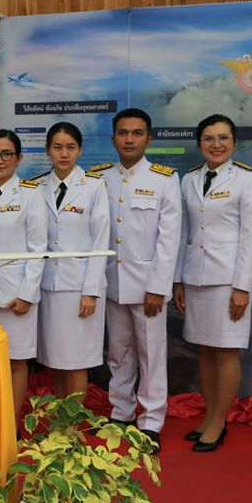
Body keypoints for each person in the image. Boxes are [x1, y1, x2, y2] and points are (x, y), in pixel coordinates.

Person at [172, 115, 252, 452]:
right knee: (205, 350)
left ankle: (219, 422)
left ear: (234, 142)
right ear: (200, 143)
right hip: (196, 277)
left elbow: (251, 237)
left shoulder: (246, 180)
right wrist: (178, 279)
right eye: (209, 138)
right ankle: (210, 415)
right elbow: (184, 232)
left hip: (228, 281)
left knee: (225, 351)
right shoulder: (190, 179)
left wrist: (243, 286)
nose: (216, 144)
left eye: (223, 137)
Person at [97, 107, 181, 454]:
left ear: (149, 138)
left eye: (137, 133)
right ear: (113, 137)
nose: (129, 139)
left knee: (151, 354)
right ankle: (121, 412)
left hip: (148, 286)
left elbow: (169, 238)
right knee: (118, 353)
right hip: (112, 283)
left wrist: (158, 287)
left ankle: (151, 421)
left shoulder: (164, 179)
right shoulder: (100, 178)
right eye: (123, 133)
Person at [0, 129, 47, 427]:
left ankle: (11, 424)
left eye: (6, 154)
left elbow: (38, 248)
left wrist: (28, 294)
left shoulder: (31, 194)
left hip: (16, 295)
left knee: (16, 360)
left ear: (19, 158)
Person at [35, 123, 110, 399]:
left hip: (80, 288)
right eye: (57, 147)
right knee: (56, 360)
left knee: (77, 361)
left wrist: (90, 291)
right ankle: (60, 419)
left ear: (79, 150)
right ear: (48, 150)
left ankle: (74, 421)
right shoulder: (37, 186)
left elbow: (100, 241)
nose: (64, 154)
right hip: (48, 286)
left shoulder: (93, 186)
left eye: (70, 147)